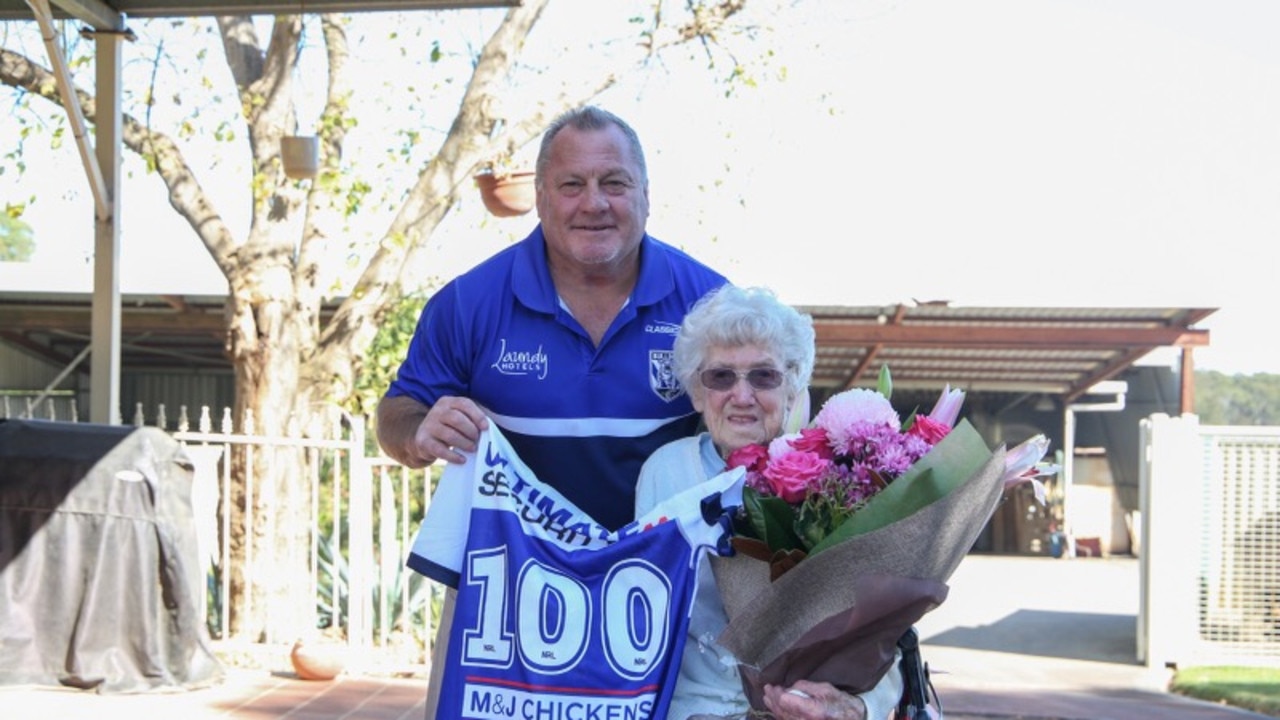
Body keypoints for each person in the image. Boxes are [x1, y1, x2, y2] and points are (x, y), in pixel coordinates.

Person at [376, 105, 728, 532]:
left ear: (646, 195)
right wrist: (418, 432)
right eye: (571, 185)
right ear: (541, 196)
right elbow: (396, 415)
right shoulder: (467, 303)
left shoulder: (712, 303)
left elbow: (774, 410)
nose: (594, 203)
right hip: (509, 575)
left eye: (614, 183)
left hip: (668, 575)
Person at [636, 285, 905, 720]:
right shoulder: (665, 473)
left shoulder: (836, 476)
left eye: (763, 376)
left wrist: (857, 708)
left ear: (792, 385)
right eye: (720, 377)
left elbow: (888, 624)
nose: (742, 396)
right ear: (698, 393)